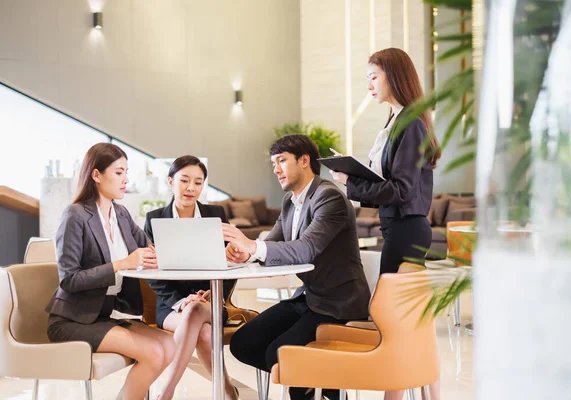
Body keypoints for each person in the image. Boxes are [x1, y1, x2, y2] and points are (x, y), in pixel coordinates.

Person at [330, 47, 442, 400]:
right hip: (401, 228)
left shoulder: (410, 123)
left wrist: (352, 184)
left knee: (394, 321)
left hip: (407, 229)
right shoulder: (398, 120)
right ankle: (428, 394)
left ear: (394, 75)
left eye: (373, 76)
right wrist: (356, 182)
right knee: (407, 320)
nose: (369, 86)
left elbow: (402, 189)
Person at [222, 134, 371, 400]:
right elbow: (274, 240)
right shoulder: (291, 201)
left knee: (279, 353)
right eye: (273, 163)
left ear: (304, 161)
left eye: (281, 161)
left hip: (339, 302)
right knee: (243, 344)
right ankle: (326, 388)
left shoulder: (330, 198)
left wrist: (252, 246)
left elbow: (305, 249)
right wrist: (245, 253)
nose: (276, 169)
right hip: (309, 297)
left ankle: (317, 389)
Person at [45, 143, 175, 400]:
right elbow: (69, 280)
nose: (126, 179)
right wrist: (122, 264)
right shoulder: (75, 215)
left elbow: (149, 250)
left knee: (169, 345)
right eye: (118, 172)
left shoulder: (121, 214)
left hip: (110, 313)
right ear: (96, 175)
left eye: (126, 172)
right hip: (74, 319)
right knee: (154, 353)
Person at [144, 155, 238, 400]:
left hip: (212, 301)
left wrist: (214, 292)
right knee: (203, 331)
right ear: (170, 181)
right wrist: (179, 301)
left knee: (197, 310)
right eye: (184, 180)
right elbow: (153, 272)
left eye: (197, 182)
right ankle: (229, 391)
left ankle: (166, 393)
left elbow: (230, 263)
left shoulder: (215, 214)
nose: (190, 188)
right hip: (171, 306)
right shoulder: (155, 219)